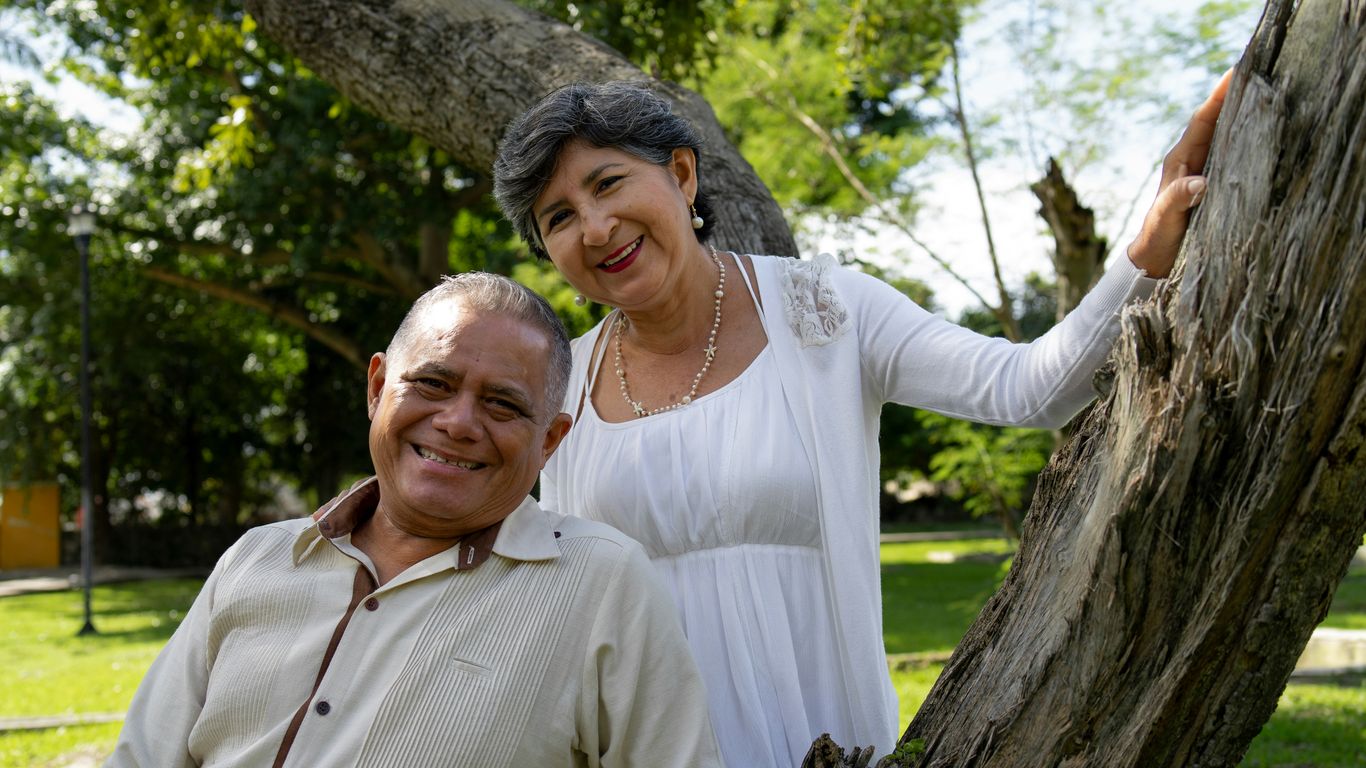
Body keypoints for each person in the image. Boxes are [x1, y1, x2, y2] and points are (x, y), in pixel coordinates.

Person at [491, 75, 1230, 767]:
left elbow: (1030, 388)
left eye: (608, 183)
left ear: (682, 175)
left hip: (821, 740)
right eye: (558, 217)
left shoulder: (826, 312)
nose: (594, 227)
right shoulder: (556, 387)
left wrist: (1144, 255)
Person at [106, 273, 721, 768]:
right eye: (432, 383)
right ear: (378, 387)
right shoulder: (256, 559)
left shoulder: (601, 584)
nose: (457, 422)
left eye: (503, 403)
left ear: (551, 441)